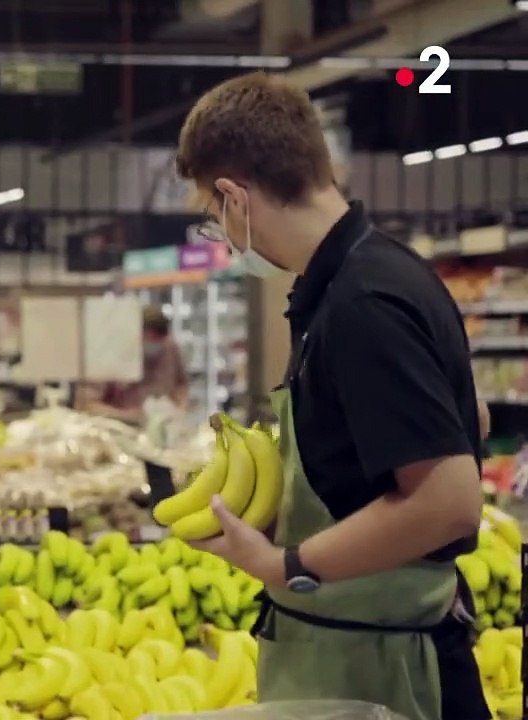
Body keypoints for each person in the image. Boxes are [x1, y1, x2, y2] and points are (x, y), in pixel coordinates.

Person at [174, 71, 487, 719]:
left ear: (234, 195)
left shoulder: (363, 301)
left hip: (391, 673)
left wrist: (287, 563)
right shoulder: (360, 279)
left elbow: (449, 500)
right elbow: (469, 418)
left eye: (212, 216)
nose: (220, 234)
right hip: (359, 653)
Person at [77, 305, 189, 422]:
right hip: (118, 427)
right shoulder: (108, 353)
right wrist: (128, 416)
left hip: (160, 426)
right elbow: (86, 405)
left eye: (157, 341)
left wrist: (179, 409)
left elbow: (181, 385)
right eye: (147, 340)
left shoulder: (170, 348)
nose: (153, 346)